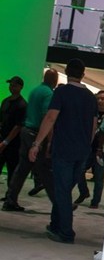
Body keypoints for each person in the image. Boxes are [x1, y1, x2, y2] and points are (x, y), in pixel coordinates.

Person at [29, 58, 97, 244]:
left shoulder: (61, 92)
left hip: (64, 149)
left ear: (66, 73)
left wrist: (37, 143)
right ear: (83, 74)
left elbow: (51, 117)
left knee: (62, 191)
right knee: (64, 188)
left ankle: (66, 233)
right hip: (82, 151)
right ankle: (55, 225)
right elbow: (93, 126)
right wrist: (86, 145)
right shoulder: (91, 97)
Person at [3, 68, 58, 212]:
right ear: (54, 80)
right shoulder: (48, 94)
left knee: (22, 168)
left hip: (26, 132)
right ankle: (60, 204)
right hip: (36, 134)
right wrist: (49, 140)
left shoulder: (35, 91)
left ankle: (10, 200)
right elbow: (47, 118)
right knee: (45, 170)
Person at [73, 90, 104, 208]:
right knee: (79, 170)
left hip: (102, 150)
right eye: (98, 98)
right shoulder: (91, 113)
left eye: (102, 99)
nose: (100, 101)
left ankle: (95, 201)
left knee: (99, 177)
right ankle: (84, 192)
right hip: (88, 148)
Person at [0, 76, 27, 189]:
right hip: (2, 139)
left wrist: (6, 142)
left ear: (20, 87)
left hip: (13, 144)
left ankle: (10, 196)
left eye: (14, 85)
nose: (11, 87)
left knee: (12, 171)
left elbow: (18, 126)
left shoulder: (22, 105)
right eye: (11, 85)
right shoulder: (5, 101)